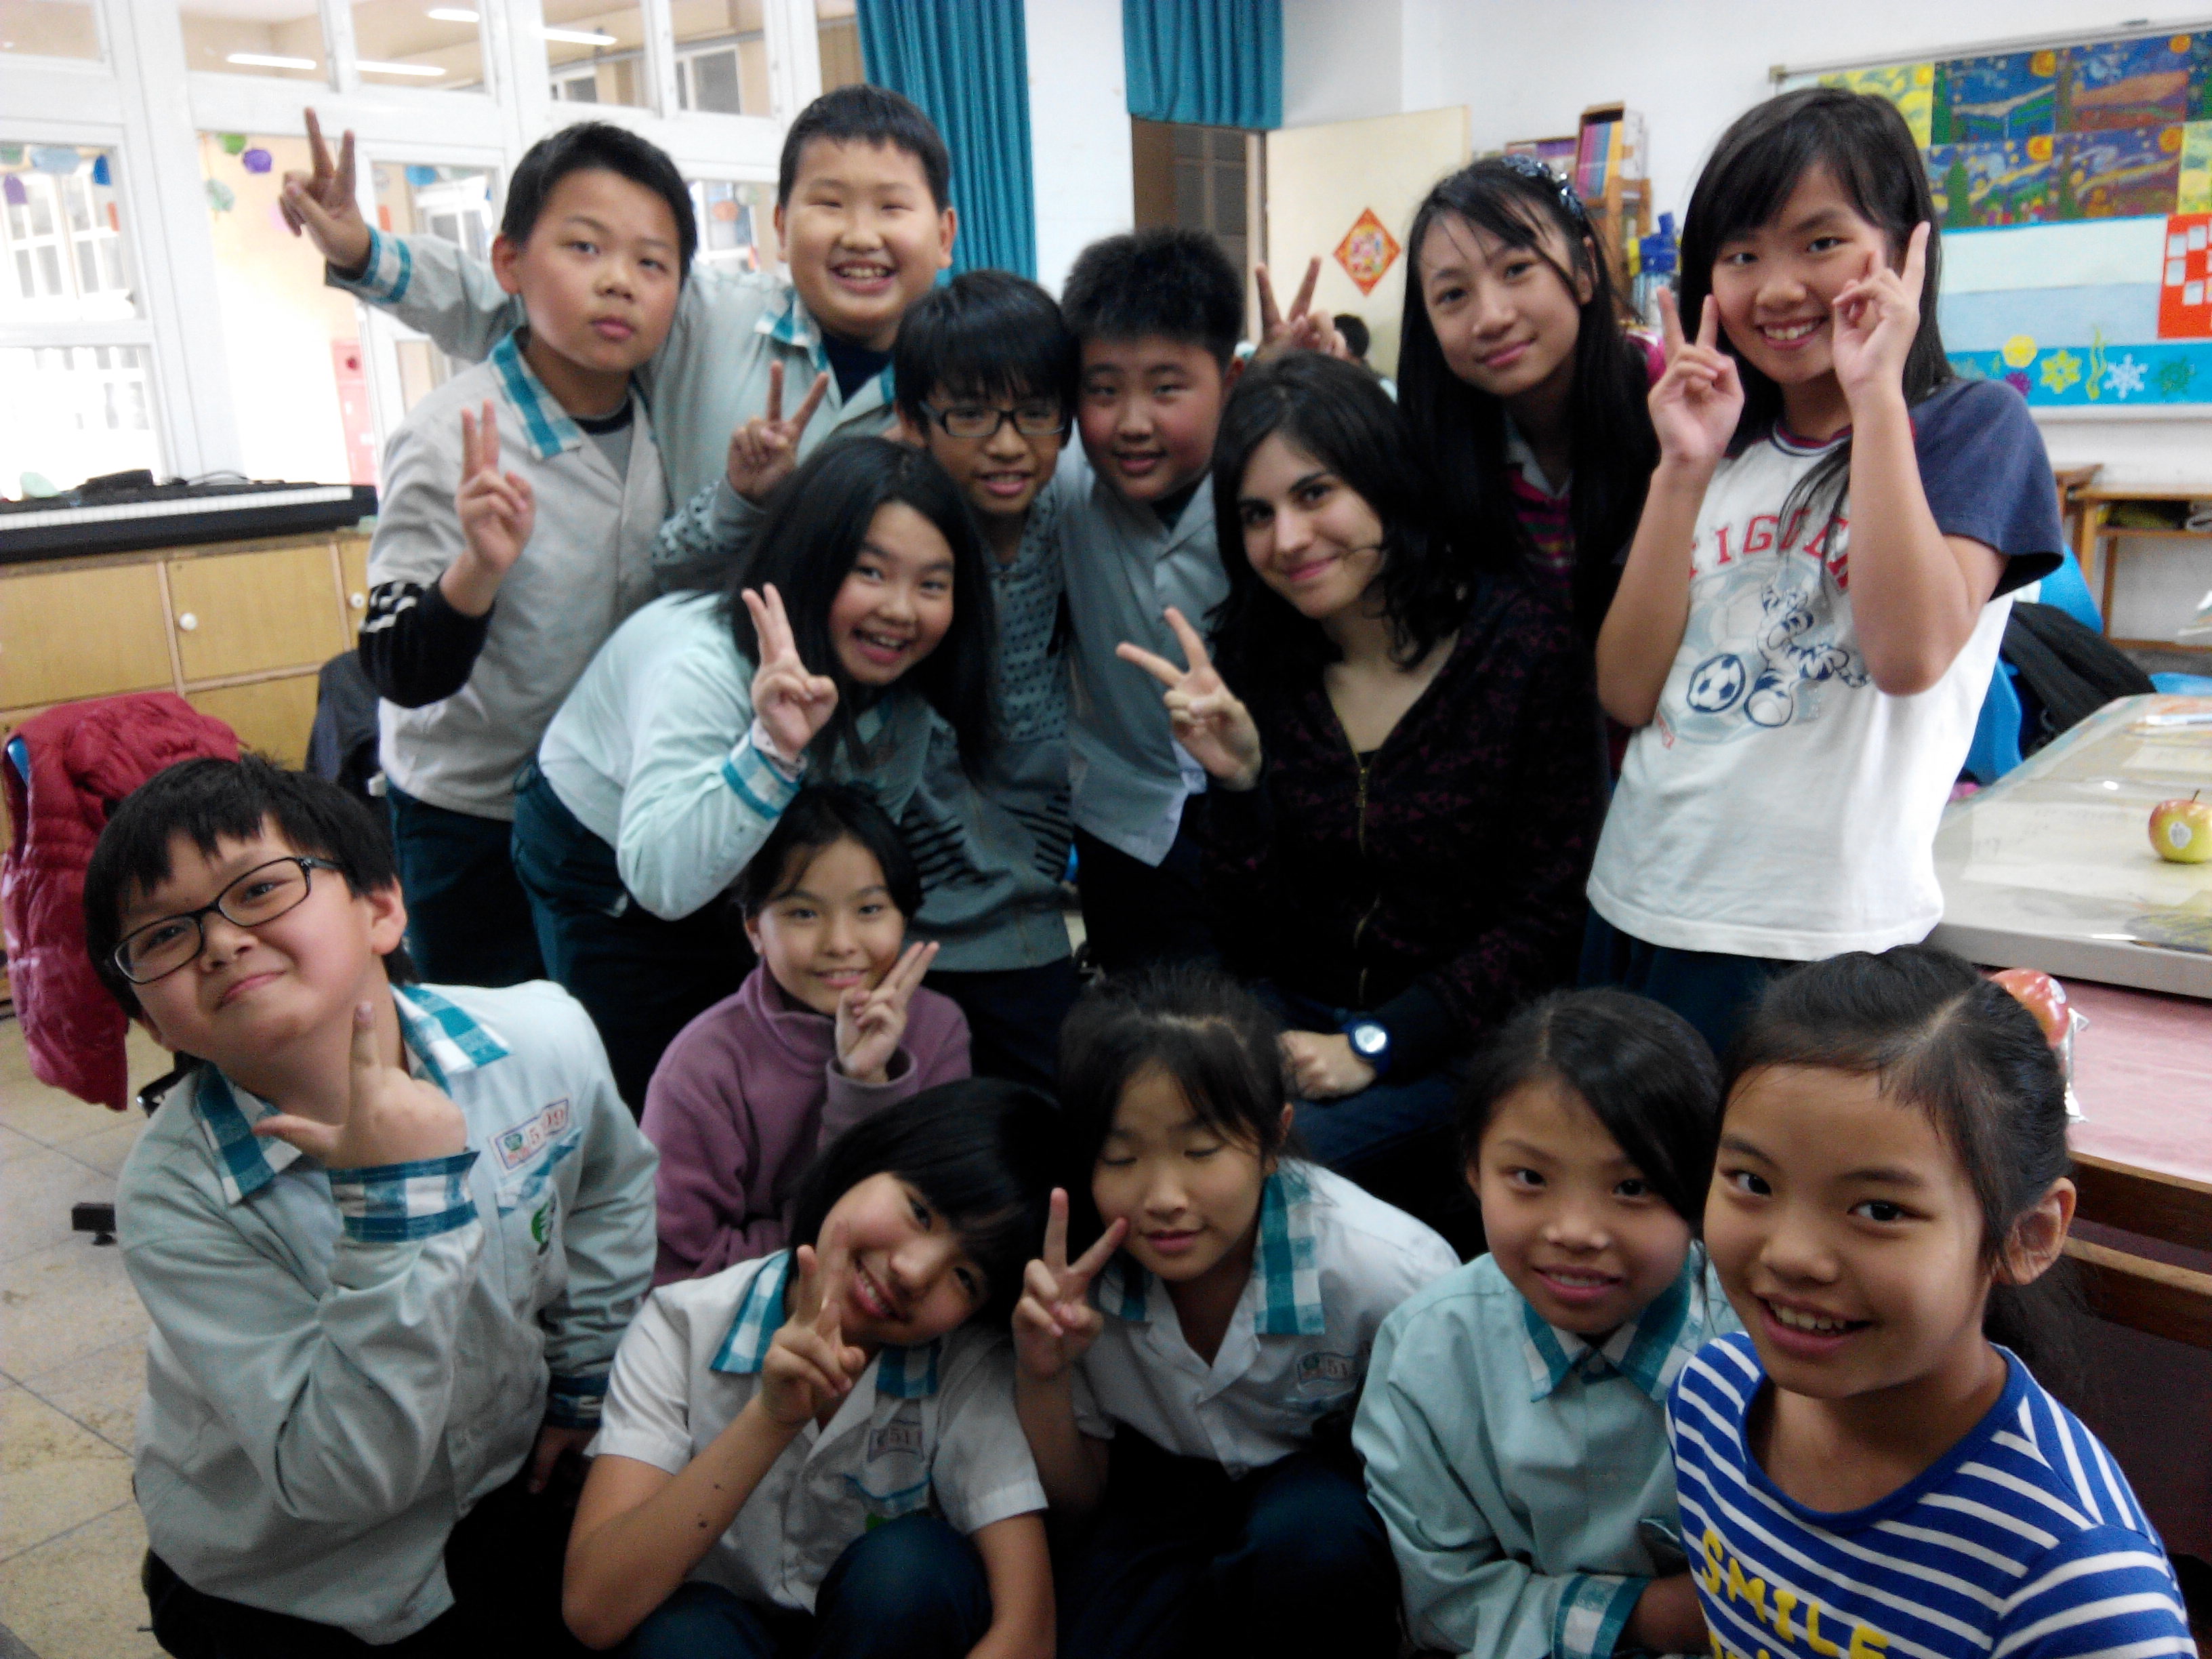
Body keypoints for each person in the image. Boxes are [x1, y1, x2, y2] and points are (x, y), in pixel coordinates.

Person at [84, 756, 656, 1656]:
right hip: (292, 1575)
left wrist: (586, 1380)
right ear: (151, 1021)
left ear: (383, 905)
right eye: (162, 937)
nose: (220, 942)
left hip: (508, 1483)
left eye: (260, 889)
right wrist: (398, 1208)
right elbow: (343, 1477)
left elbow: (608, 1197)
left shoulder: (542, 1041)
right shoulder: (176, 1195)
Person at [1585, 89, 2063, 1057]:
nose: (1777, 288)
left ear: (1905, 246)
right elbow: (1627, 690)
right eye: (1741, 255)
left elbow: (1909, 654)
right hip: (1639, 892)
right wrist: (1681, 470)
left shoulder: (1970, 427)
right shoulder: (1717, 443)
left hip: (1818, 934)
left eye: (1821, 242)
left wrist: (1875, 395)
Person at [1120, 352, 1601, 1227]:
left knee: (1242, 1172)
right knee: (1130, 1130)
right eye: (1257, 515)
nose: (1288, 540)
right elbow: (1246, 933)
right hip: (1288, 1017)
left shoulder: (1520, 650)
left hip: (1460, 1045)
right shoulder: (1261, 658)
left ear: (1384, 482)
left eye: (1316, 495)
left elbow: (1546, 920)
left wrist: (1376, 1044)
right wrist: (1238, 784)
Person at [1677, 945, 2193, 1659]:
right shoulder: (1706, 1398)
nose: (1791, 1254)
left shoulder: (2076, 1583)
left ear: (2027, 1236)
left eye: (1880, 1210)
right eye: (1753, 1183)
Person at [680, 270, 1082, 1088]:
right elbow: (689, 575)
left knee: (1042, 1117)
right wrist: (748, 501)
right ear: (913, 420)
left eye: (1036, 413)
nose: (1008, 443)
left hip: (1028, 911)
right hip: (892, 910)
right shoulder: (877, 515)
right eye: (970, 414)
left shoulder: (1071, 516)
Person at [511, 436, 996, 1111]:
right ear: (812, 559)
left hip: (751, 843)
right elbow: (662, 882)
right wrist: (772, 748)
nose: (901, 610)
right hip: (607, 858)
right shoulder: (703, 664)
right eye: (871, 572)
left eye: (932, 584)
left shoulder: (905, 680)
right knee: (657, 1086)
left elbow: (855, 840)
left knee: (776, 1055)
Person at [1012, 967, 1458, 1659]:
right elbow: (1079, 1501)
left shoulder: (1386, 1269)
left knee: (1310, 1544)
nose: (1164, 1197)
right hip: (1157, 1493)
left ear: (1274, 1139)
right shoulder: (1071, 1274)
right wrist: (1042, 1374)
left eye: (1201, 1151)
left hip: (1324, 1493)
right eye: (1121, 1157)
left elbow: (1446, 1486)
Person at [280, 85, 955, 516]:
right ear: (780, 226)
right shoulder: (700, 317)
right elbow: (518, 304)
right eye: (829, 204)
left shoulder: (971, 374)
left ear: (945, 235)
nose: (859, 235)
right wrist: (363, 253)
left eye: (891, 207)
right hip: (687, 673)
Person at [359, 121, 690, 989]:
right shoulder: (450, 436)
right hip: (475, 822)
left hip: (613, 804)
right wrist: (476, 570)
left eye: (653, 263)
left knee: (614, 1043)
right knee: (504, 1051)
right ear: (509, 263)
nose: (619, 281)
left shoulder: (671, 415)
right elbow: (397, 666)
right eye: (585, 247)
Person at [562, 1081, 1058, 1659]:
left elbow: (1029, 1631)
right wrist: (771, 1419)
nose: (914, 1272)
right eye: (920, 1212)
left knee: (912, 1569)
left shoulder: (963, 1363)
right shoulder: (682, 1327)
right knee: (680, 1638)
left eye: (965, 1277)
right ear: (867, 1159)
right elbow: (594, 1608)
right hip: (719, 1637)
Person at [1353, 989, 1737, 1659]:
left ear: (1704, 1186)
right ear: (1475, 1170)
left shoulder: (1758, 1348)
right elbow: (1445, 1598)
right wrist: (1649, 1617)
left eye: (1632, 1188)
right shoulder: (1427, 1350)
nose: (1575, 1232)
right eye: (1530, 1177)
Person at [643, 783, 969, 1285]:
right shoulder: (702, 1065)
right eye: (803, 913)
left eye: (869, 910)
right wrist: (817, 1249)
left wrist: (869, 1082)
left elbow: (943, 1222)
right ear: (755, 929)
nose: (840, 943)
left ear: (906, 916)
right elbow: (678, 1267)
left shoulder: (939, 1031)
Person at [1050, 228, 1244, 975]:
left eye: (1167, 389)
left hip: (1262, 810)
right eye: (1103, 391)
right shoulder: (1057, 485)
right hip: (1121, 821)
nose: (1132, 423)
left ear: (1229, 381)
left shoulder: (1274, 490)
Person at [1399, 155, 1660, 642]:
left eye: (1516, 269)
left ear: (1584, 271)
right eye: (1453, 295)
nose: (1491, 318)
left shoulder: (1667, 394)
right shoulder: (1434, 437)